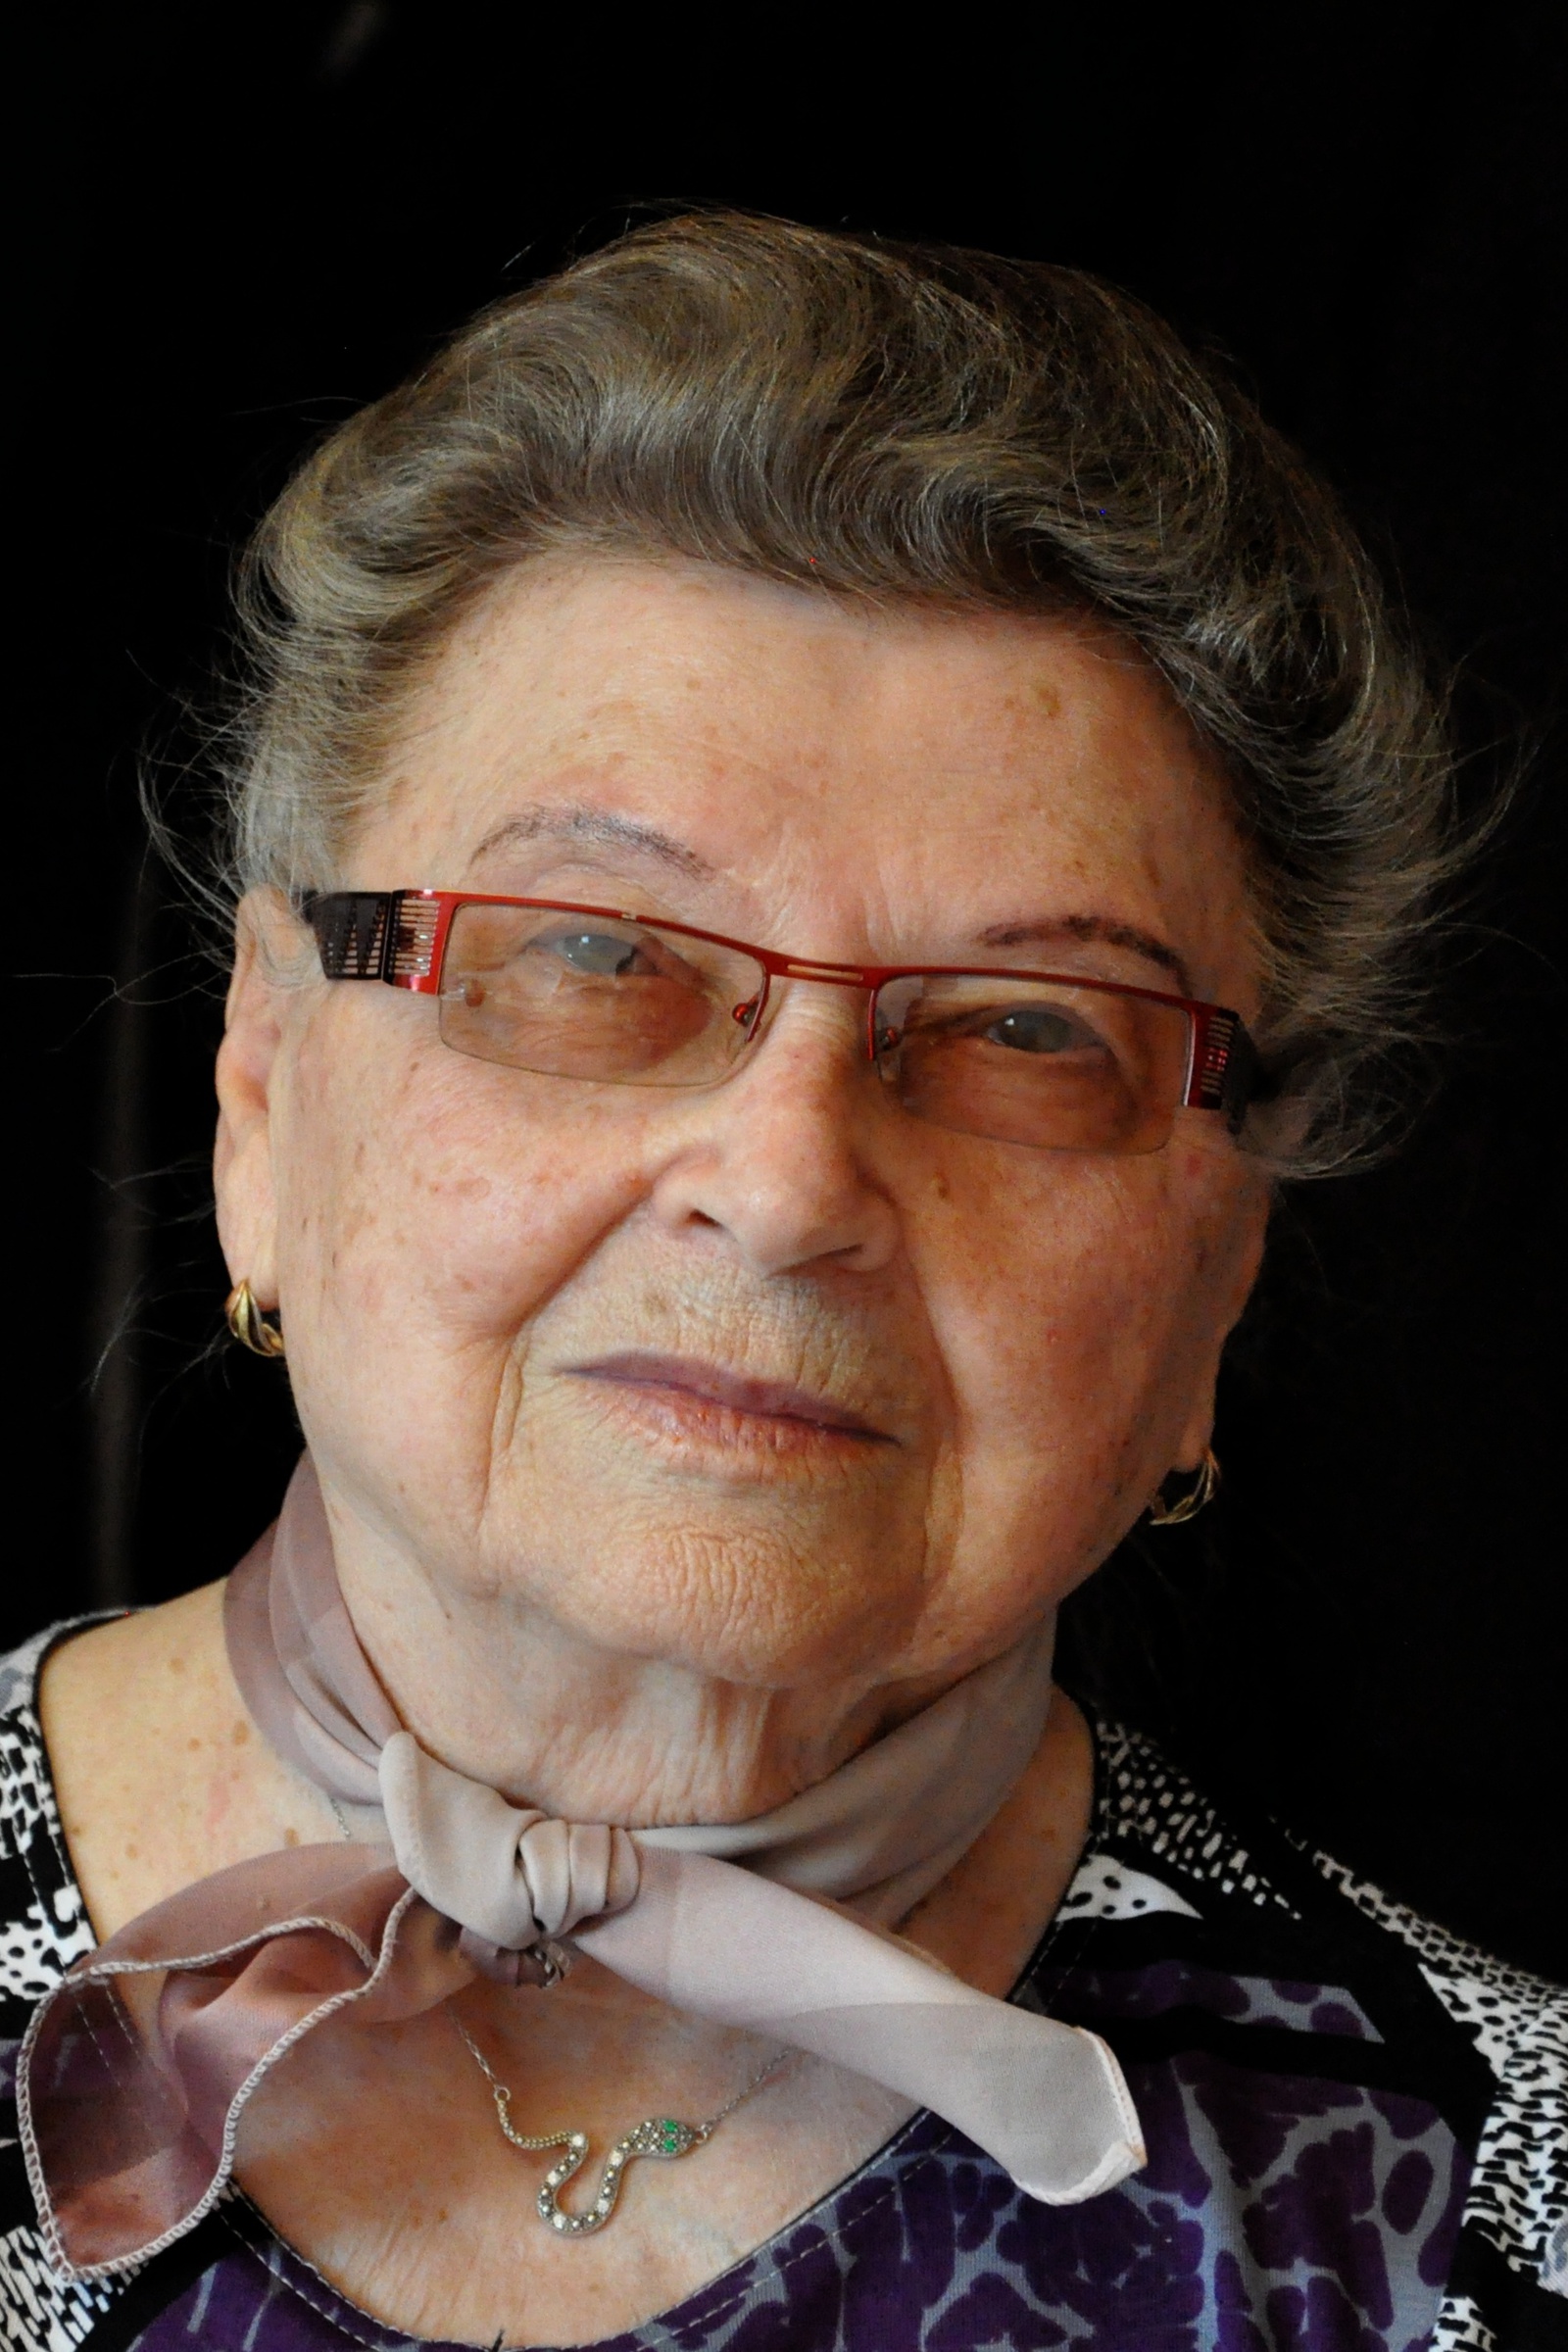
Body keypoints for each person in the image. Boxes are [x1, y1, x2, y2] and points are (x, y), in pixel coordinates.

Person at [1, 215, 1560, 2352]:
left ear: (1221, 1268)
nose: (790, 1182)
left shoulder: (1490, 2213)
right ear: (262, 1086)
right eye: (594, 957)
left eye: (1027, 1033)